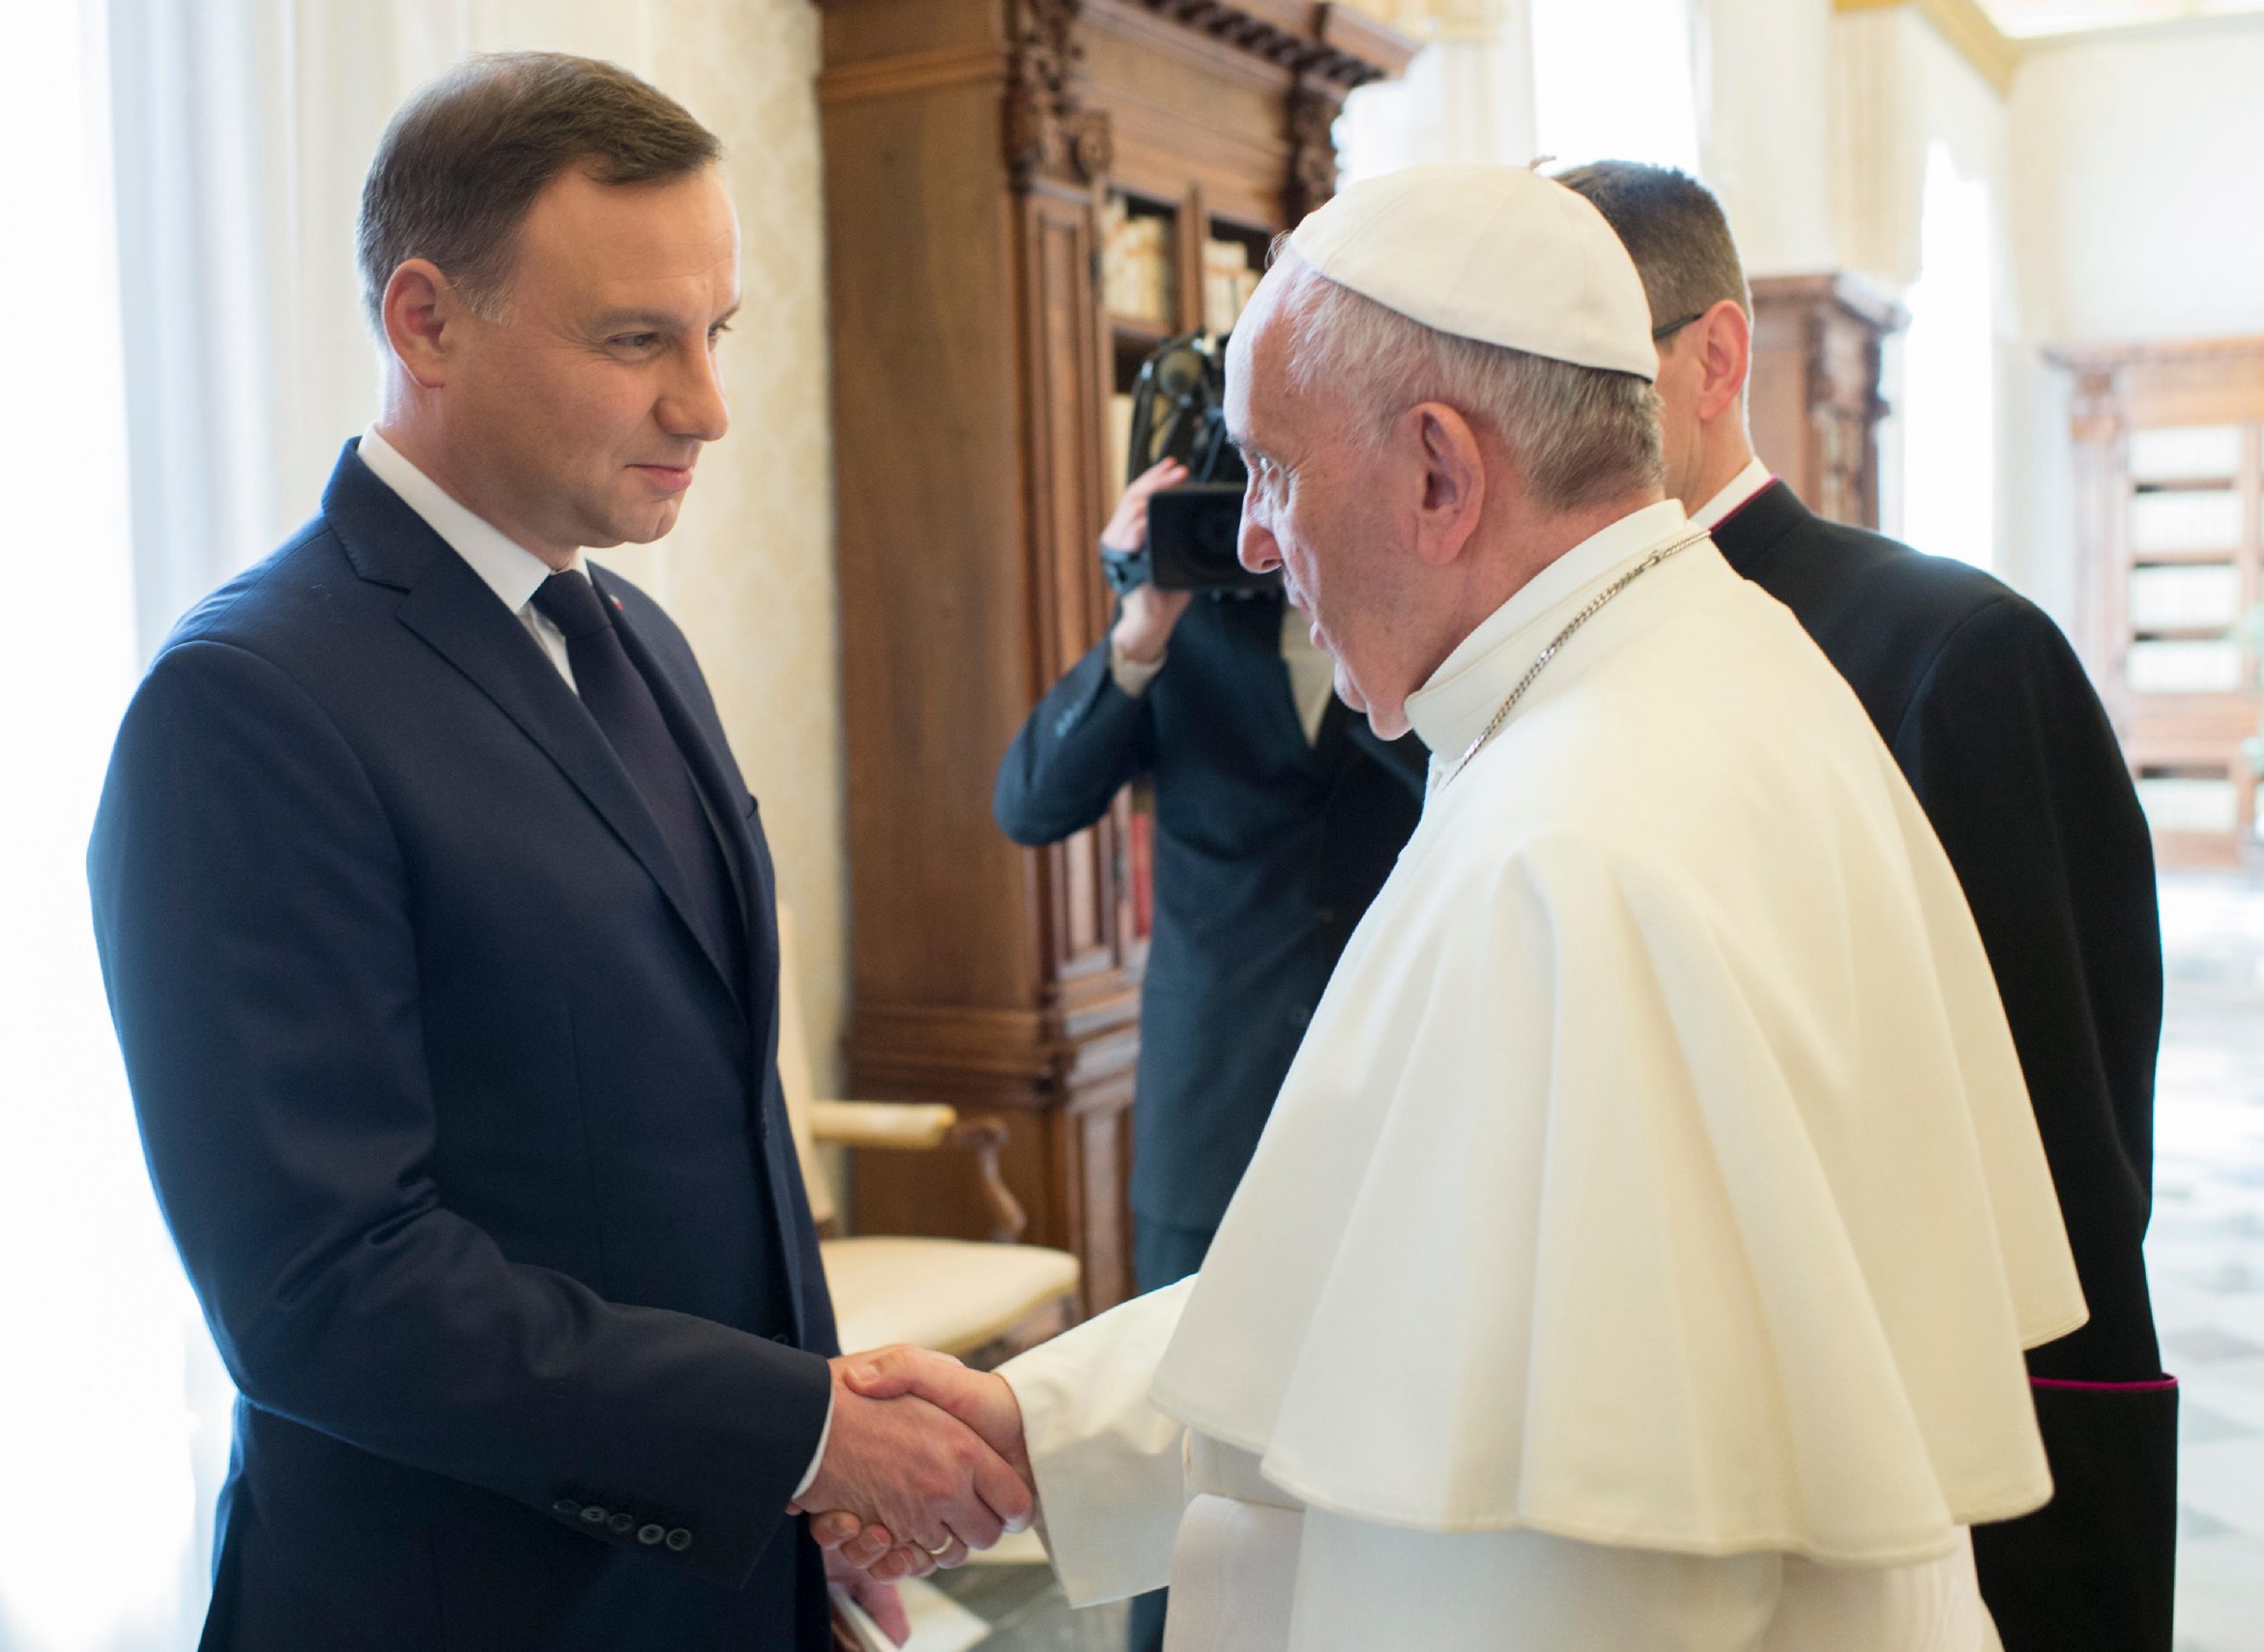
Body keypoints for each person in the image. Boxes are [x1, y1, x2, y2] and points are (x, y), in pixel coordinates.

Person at [807, 163, 2084, 1650]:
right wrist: (1043, 1428)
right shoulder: (1681, 678)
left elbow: (1567, 1558)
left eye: (1273, 469)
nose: (1257, 542)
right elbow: (1407, 1301)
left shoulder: (1576, 849)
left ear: (1438, 474)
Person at [87, 53, 1024, 1652]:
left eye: (714, 333)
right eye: (635, 339)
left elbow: (714, 1139)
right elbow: (329, 1285)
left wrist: (800, 1508)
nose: (707, 407)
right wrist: (803, 1431)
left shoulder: (637, 638)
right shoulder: (245, 702)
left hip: (719, 1569)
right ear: (427, 321)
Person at [1557, 159, 2175, 1652]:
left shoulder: (1956, 648)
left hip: (1932, 1466)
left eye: (1588, 368)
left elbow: (2069, 1143)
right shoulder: (1544, 670)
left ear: (1715, 358)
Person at [997, 451, 1425, 1652]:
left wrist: (1362, 626)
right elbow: (1029, 801)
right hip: (1206, 1099)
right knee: (1173, 1452)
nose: (1265, 527)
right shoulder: (1180, 633)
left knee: (1370, 1427)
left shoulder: (1405, 632)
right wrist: (1140, 623)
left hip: (1384, 1094)